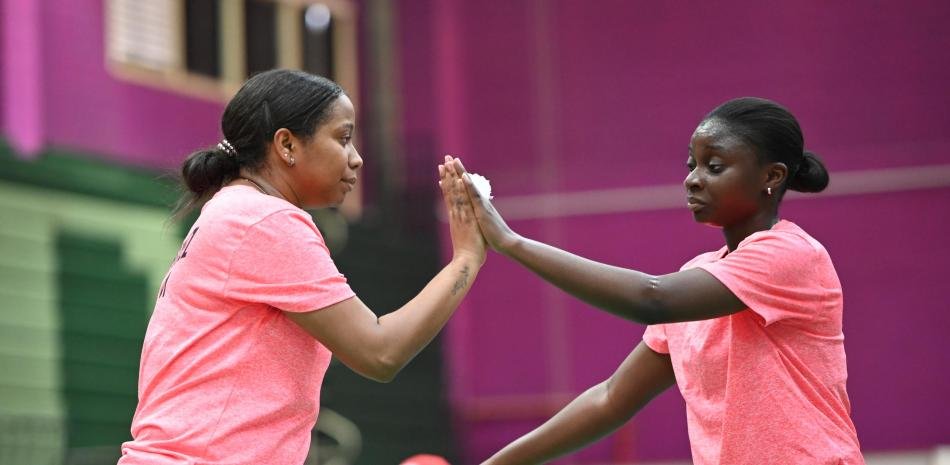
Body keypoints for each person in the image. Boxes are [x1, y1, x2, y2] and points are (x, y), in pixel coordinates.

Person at [443, 97, 864, 464]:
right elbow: (610, 400)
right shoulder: (697, 281)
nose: (693, 178)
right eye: (691, 164)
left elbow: (652, 298)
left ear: (771, 177)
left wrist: (511, 243)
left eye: (714, 166)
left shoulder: (791, 256)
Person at [118, 69, 486, 465]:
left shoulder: (232, 211)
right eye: (343, 138)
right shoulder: (263, 220)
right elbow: (380, 352)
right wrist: (466, 258)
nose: (357, 158)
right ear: (287, 144)